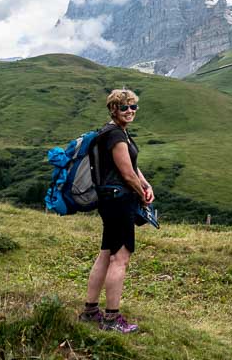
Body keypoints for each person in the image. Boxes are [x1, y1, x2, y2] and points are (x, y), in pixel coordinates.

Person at [78, 89, 154, 333]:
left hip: (110, 199)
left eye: (133, 107)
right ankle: (112, 320)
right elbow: (126, 173)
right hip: (119, 200)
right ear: (113, 109)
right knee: (120, 258)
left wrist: (146, 184)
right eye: (124, 107)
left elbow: (133, 167)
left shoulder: (116, 133)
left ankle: (90, 312)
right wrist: (143, 197)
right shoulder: (116, 137)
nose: (130, 111)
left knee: (105, 253)